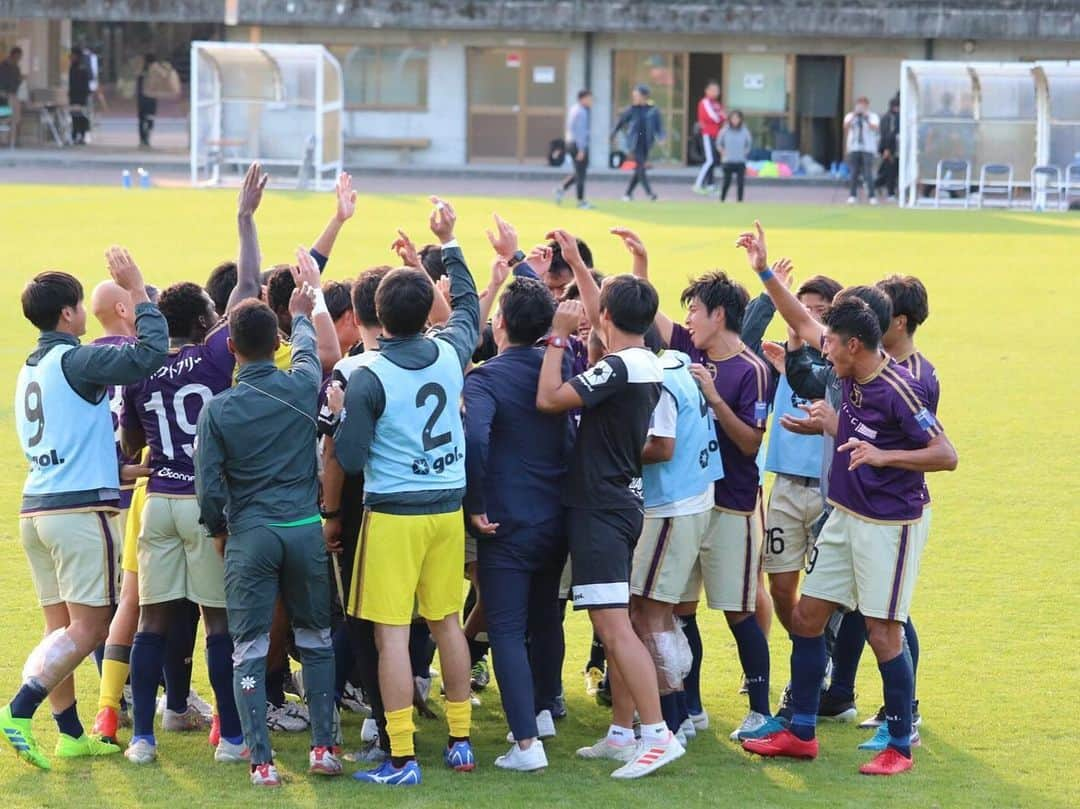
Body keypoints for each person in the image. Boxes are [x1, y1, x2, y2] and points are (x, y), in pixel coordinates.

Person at [736, 222, 957, 776]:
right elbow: (802, 320)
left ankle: (900, 743)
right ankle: (801, 731)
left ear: (854, 345)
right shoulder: (850, 368)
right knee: (808, 617)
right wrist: (763, 271)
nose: (819, 347)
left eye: (829, 342)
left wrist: (883, 457)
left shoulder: (900, 387)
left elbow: (945, 453)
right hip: (846, 515)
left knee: (884, 629)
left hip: (889, 523)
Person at [119, 168, 270, 767]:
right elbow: (253, 286)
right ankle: (232, 739)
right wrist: (244, 218)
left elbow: (132, 447)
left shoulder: (139, 369)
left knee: (153, 620)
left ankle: (142, 738)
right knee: (218, 622)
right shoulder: (215, 357)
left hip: (156, 500)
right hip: (207, 504)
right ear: (208, 323)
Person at [333, 197, 481, 786]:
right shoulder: (450, 351)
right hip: (449, 508)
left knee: (391, 633)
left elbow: (348, 458)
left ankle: (400, 756)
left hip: (394, 514)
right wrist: (450, 242)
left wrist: (346, 415)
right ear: (426, 314)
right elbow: (468, 305)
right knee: (447, 622)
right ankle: (462, 740)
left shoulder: (369, 376)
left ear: (375, 315)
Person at [1, 248, 168, 771]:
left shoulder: (30, 370)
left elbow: (62, 436)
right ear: (70, 314)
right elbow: (149, 355)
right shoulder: (76, 356)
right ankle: (18, 709)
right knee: (90, 628)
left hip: (37, 512)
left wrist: (109, 467)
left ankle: (71, 735)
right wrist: (137, 287)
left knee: (61, 632)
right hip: (78, 516)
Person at [536, 232, 684, 779]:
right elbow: (604, 324)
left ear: (607, 318)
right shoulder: (647, 362)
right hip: (622, 500)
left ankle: (657, 733)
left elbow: (550, 400)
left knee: (615, 625)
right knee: (612, 624)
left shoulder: (620, 369)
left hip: (600, 506)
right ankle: (624, 732)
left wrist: (556, 340)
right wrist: (577, 262)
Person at [194, 251, 341, 788]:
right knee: (317, 638)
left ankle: (261, 761)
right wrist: (302, 310)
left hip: (250, 535)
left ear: (231, 348)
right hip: (303, 530)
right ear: (274, 342)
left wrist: (219, 532)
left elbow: (209, 489)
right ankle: (324, 748)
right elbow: (309, 353)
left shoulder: (219, 409)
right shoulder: (302, 387)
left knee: (250, 647)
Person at [646, 262, 779, 743]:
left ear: (719, 314)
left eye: (696, 311)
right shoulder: (686, 347)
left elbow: (748, 444)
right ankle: (690, 709)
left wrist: (713, 398)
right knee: (681, 611)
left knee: (738, 610)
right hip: (687, 504)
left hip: (733, 508)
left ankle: (760, 711)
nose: (690, 321)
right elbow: (644, 312)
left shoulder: (754, 371)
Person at [463, 276, 572, 772]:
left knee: (505, 628)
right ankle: (542, 710)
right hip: (556, 514)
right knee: (545, 614)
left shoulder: (484, 379)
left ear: (500, 323)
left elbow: (477, 439)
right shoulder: (564, 366)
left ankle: (527, 745)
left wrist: (477, 501)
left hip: (506, 520)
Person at [759, 276, 842, 634]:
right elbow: (743, 341)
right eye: (802, 308)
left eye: (819, 311)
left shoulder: (844, 370)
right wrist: (767, 296)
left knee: (827, 590)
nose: (807, 316)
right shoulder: (779, 356)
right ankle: (809, 652)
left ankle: (821, 660)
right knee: (779, 586)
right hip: (787, 488)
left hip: (830, 494)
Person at [612, 84, 665, 202]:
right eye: (634, 95)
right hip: (634, 143)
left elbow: (659, 126)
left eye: (637, 95)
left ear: (644, 96)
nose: (635, 97)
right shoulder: (631, 109)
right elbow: (621, 122)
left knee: (639, 170)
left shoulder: (652, 110)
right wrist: (613, 134)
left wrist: (661, 137)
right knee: (640, 166)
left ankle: (627, 194)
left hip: (646, 143)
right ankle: (650, 193)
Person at [555, 90, 594, 209]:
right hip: (578, 145)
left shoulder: (574, 109)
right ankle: (580, 201)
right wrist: (581, 149)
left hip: (571, 144)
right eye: (589, 98)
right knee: (581, 174)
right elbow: (580, 132)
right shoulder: (582, 112)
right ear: (583, 99)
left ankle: (562, 188)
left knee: (578, 172)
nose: (591, 101)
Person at [844, 96, 880, 205]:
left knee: (868, 172)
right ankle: (852, 195)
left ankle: (872, 196)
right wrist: (855, 115)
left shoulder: (872, 116)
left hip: (868, 148)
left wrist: (865, 118)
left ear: (867, 106)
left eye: (864, 105)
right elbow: (846, 126)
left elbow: (875, 128)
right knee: (854, 172)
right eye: (860, 104)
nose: (861, 107)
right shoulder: (851, 116)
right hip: (854, 147)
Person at [693, 80, 725, 194]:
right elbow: (714, 117)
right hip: (707, 135)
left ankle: (710, 185)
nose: (715, 92)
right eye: (713, 90)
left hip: (716, 135)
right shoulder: (705, 102)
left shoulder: (717, 104)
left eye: (717, 90)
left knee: (713, 160)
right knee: (709, 160)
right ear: (706, 91)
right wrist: (720, 117)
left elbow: (723, 116)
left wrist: (720, 117)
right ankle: (698, 184)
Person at [717, 110, 752, 203]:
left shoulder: (745, 131)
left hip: (740, 161)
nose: (735, 120)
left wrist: (745, 152)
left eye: (737, 118)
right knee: (726, 182)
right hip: (728, 161)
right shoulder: (725, 130)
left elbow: (748, 144)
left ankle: (740, 201)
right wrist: (722, 152)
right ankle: (722, 200)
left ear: (740, 119)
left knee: (740, 183)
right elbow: (719, 143)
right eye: (733, 118)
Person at [876, 94, 901, 201]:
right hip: (890, 148)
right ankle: (889, 192)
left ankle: (876, 185)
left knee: (890, 170)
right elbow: (886, 134)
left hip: (895, 148)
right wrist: (886, 149)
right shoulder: (889, 118)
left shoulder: (895, 116)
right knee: (890, 171)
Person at [69, 48, 92, 146]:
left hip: (81, 96)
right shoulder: (72, 68)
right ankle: (75, 135)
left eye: (73, 55)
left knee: (82, 116)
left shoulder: (83, 68)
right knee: (75, 116)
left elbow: (86, 82)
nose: (71, 57)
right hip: (74, 96)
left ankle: (82, 135)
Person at [0, 46, 23, 146]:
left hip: (13, 95)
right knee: (5, 118)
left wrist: (20, 81)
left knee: (16, 118)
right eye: (18, 57)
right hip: (4, 95)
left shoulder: (16, 67)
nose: (18, 59)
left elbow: (17, 81)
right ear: (13, 55)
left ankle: (12, 140)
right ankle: (3, 140)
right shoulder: (3, 66)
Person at [136, 54, 158, 148]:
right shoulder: (155, 73)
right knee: (150, 119)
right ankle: (147, 137)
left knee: (141, 119)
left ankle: (142, 139)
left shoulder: (141, 73)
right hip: (151, 99)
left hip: (142, 99)